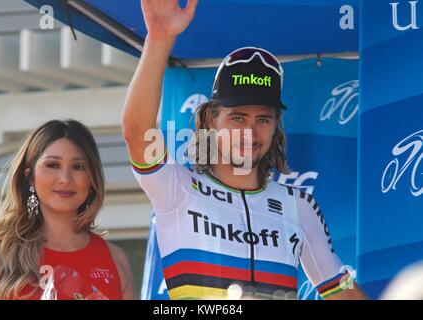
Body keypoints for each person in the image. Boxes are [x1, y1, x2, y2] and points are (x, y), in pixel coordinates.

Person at [122, 0, 367, 300]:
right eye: (238, 117)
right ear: (212, 119)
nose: (250, 132)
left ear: (276, 125)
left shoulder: (298, 206)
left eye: (262, 119)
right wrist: (159, 40)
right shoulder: (177, 187)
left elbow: (342, 294)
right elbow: (137, 133)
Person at [0, 120, 134, 300]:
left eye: (78, 166)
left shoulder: (116, 259)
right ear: (30, 177)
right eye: (53, 165)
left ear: (91, 178)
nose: (65, 178)